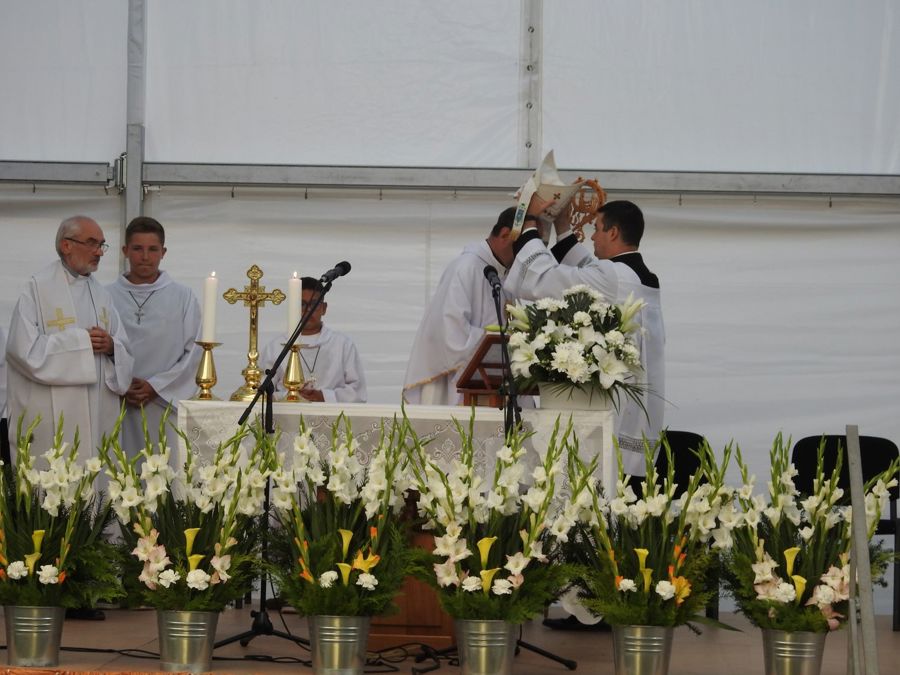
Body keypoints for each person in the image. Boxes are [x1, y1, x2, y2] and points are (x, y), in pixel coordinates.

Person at [504, 198, 665, 476]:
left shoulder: (614, 277)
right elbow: (586, 270)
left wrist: (530, 222)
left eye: (597, 229)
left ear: (613, 233)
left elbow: (545, 277)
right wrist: (563, 226)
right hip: (639, 410)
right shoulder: (639, 275)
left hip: (611, 405)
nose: (592, 236)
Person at [6, 216, 134, 460]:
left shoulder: (102, 295)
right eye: (92, 243)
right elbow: (22, 352)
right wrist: (81, 343)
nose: (99, 252)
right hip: (49, 417)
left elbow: (124, 350)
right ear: (66, 245)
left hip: (97, 414)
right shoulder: (37, 289)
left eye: (102, 245)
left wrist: (111, 347)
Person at [108, 217, 202, 457]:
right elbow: (99, 351)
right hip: (117, 402)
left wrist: (155, 386)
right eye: (137, 248)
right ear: (125, 250)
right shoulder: (105, 296)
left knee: (163, 468)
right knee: (119, 467)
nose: (145, 257)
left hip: (163, 403)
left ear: (163, 252)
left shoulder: (183, 297)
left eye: (152, 249)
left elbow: (194, 353)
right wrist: (122, 384)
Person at [403, 207, 517, 404]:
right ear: (506, 234)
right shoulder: (465, 268)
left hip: (496, 387)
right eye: (525, 244)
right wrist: (502, 342)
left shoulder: (504, 275)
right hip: (462, 387)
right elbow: (450, 333)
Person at [258, 276, 366, 402]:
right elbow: (262, 392)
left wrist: (324, 396)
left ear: (324, 308)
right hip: (288, 412)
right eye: (302, 304)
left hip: (332, 413)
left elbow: (358, 392)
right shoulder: (275, 347)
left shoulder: (342, 345)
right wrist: (291, 396)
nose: (308, 310)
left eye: (314, 304)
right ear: (293, 307)